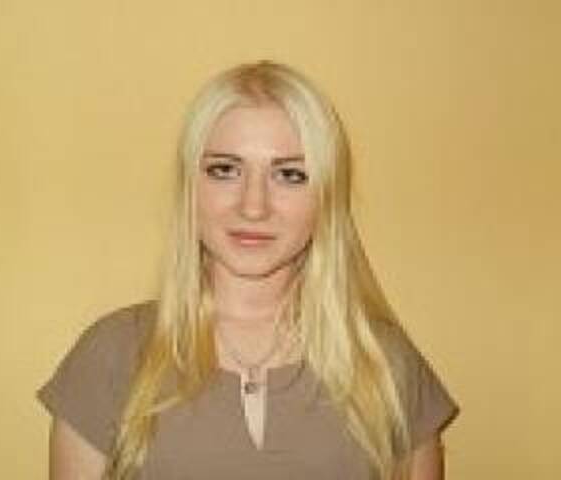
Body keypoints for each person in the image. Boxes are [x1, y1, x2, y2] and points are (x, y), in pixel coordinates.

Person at [37, 61, 459, 480]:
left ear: (327, 197)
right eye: (225, 170)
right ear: (190, 187)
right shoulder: (111, 355)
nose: (253, 206)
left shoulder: (386, 365)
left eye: (290, 174)